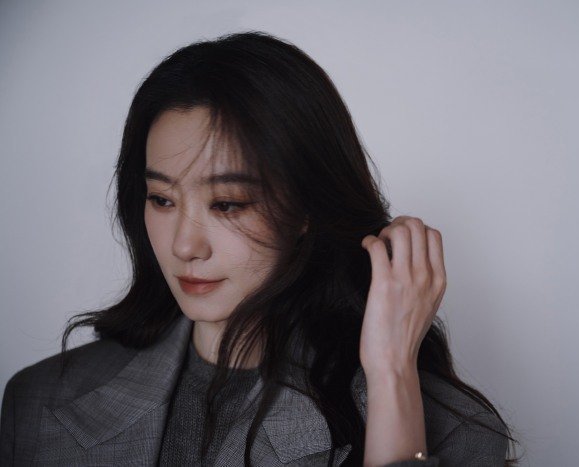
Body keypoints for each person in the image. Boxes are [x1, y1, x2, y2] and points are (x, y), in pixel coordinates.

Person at [0, 31, 516, 466]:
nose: (184, 244)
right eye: (161, 199)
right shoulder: (39, 402)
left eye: (227, 204)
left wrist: (391, 374)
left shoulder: (451, 431)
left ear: (306, 208)